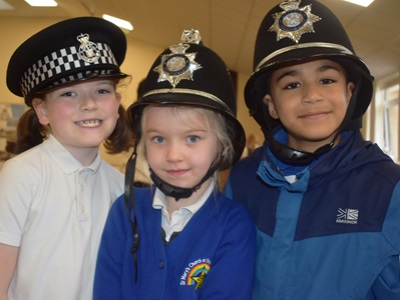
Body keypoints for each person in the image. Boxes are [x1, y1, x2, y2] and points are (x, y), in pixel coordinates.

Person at [224, 0, 400, 299]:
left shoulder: (388, 189)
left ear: (349, 91)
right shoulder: (243, 179)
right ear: (272, 106)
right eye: (292, 85)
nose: (312, 95)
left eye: (327, 80)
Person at [93, 29, 256, 300]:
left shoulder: (234, 225)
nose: (173, 154)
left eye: (192, 138)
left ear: (223, 144)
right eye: (158, 138)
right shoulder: (125, 210)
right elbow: (105, 291)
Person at [0, 16, 132, 300]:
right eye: (69, 93)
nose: (89, 104)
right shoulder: (21, 175)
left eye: (102, 90)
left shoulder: (119, 186)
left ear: (117, 102)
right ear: (42, 111)